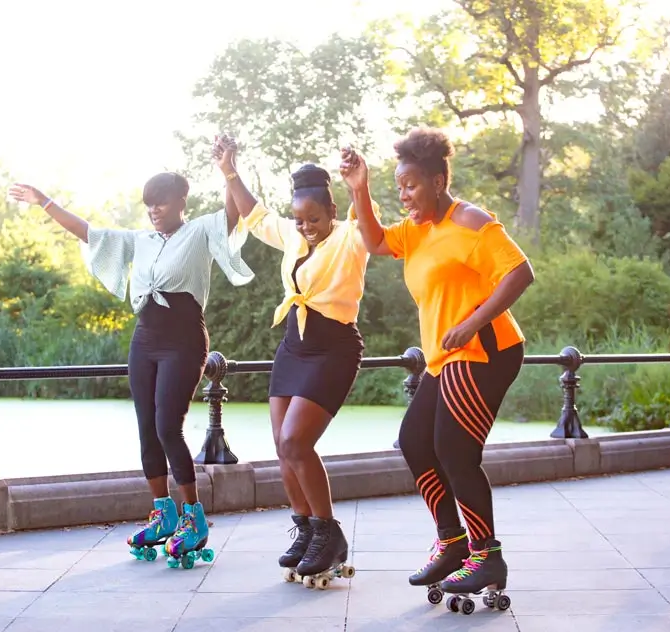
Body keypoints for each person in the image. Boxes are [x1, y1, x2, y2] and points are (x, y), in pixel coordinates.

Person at [7, 173, 254, 568]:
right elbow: (88, 233)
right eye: (149, 204)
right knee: (146, 429)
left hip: (184, 340)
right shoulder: (139, 241)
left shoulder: (200, 232)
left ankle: (193, 517)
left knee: (167, 427)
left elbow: (233, 211)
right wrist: (45, 201)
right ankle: (162, 512)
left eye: (161, 202)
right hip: (145, 340)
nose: (154, 210)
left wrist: (228, 168)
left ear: (180, 201)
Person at [340, 128, 534, 601]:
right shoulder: (418, 229)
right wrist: (360, 188)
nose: (404, 195)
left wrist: (472, 322)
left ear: (439, 179)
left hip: (485, 349)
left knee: (454, 450)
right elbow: (375, 240)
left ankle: (486, 554)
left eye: (411, 185)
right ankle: (452, 543)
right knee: (414, 442)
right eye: (399, 187)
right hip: (444, 357)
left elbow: (520, 272)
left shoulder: (472, 222)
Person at [213, 135, 371, 584]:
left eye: (314, 219)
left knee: (297, 441)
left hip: (334, 346)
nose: (305, 227)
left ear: (332, 213)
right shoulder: (292, 233)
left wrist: (360, 185)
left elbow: (366, 222)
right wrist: (229, 171)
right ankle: (304, 530)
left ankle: (329, 533)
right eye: (300, 219)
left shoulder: (349, 237)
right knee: (282, 446)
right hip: (293, 344)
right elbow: (255, 214)